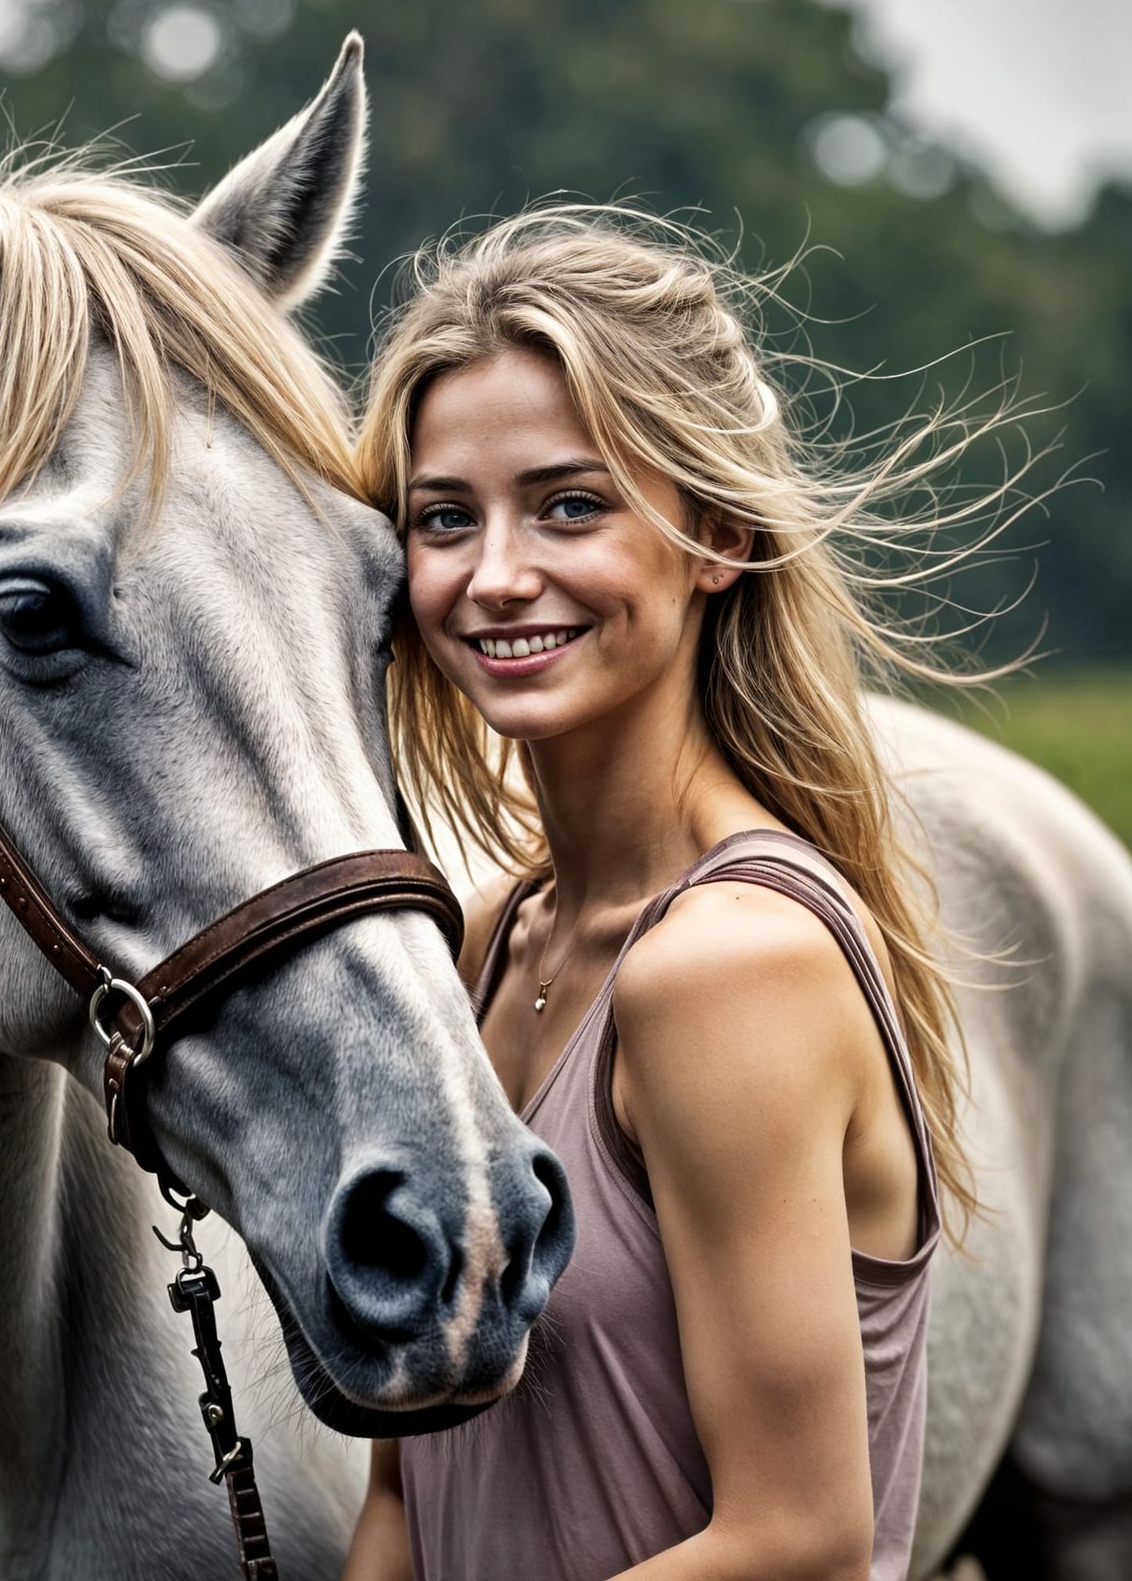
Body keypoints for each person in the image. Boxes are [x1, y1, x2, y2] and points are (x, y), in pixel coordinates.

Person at [340, 206, 1005, 1581]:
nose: (496, 574)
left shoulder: (726, 969)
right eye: (444, 520)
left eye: (570, 504)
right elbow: (404, 1500)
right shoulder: (476, 948)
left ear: (712, 535)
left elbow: (798, 1541)